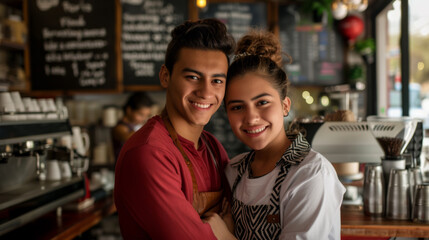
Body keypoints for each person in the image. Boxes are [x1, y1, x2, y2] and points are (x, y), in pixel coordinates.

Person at [207, 29, 346, 239]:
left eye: (262, 102)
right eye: (237, 107)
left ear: (284, 105)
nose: (251, 118)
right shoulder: (234, 171)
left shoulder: (310, 174)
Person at [114, 18, 236, 240]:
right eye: (193, 77)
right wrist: (226, 234)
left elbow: (239, 220)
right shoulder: (149, 153)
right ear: (165, 76)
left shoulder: (213, 148)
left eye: (217, 81)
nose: (206, 92)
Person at [112, 92, 154, 160]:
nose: (144, 119)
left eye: (147, 115)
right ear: (129, 110)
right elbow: (127, 138)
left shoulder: (138, 125)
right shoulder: (120, 127)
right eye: (141, 114)